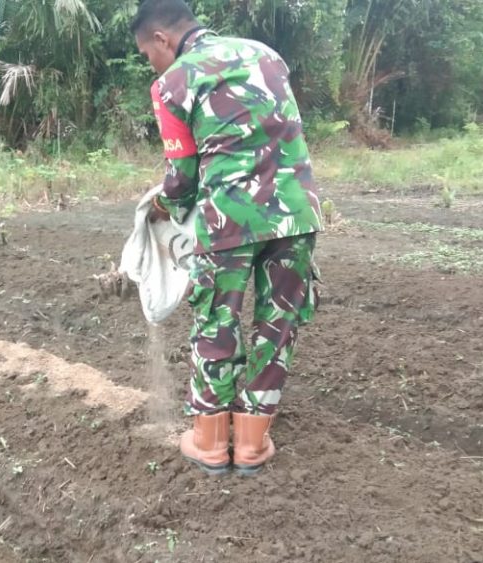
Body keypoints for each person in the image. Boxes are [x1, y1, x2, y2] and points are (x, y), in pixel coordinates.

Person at [132, 0, 323, 475]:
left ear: (161, 38)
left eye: (146, 54)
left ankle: (212, 444)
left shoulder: (172, 83)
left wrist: (162, 208)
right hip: (296, 212)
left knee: (218, 321)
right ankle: (254, 443)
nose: (151, 64)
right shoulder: (267, 54)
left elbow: (181, 179)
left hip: (230, 219)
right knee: (278, 323)